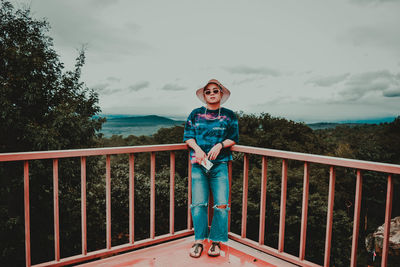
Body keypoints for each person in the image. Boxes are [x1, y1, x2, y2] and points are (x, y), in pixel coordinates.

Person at [183, 79, 239, 258]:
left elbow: (234, 137)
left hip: (220, 165)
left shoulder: (229, 115)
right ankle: (199, 241)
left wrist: (220, 145)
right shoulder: (195, 114)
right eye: (208, 91)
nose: (212, 93)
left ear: (221, 94)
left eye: (216, 91)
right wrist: (197, 149)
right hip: (199, 165)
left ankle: (215, 241)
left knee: (221, 204)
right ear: (204, 95)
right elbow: (188, 136)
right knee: (198, 204)